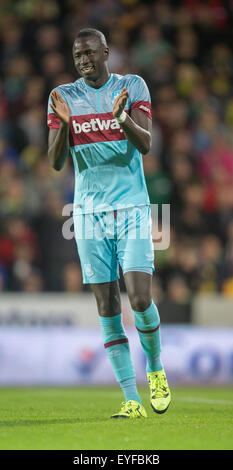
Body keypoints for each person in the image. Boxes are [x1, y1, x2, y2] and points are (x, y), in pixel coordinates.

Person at [47, 28, 171, 419]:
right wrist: (65, 125)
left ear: (105, 52)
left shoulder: (132, 85)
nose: (82, 60)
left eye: (88, 53)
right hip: (86, 213)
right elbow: (54, 162)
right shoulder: (62, 97)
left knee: (138, 297)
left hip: (132, 207)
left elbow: (146, 144)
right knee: (107, 305)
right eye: (76, 55)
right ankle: (131, 400)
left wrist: (121, 118)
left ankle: (154, 369)